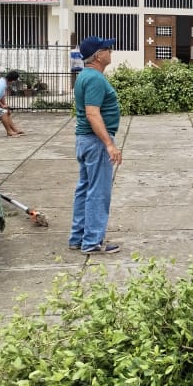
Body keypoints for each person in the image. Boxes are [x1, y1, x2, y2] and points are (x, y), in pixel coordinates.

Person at [69, 37, 122, 254]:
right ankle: (92, 241)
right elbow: (92, 114)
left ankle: (78, 237)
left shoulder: (85, 76)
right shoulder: (94, 79)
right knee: (98, 192)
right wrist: (109, 144)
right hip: (96, 141)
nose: (111, 52)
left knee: (85, 189)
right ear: (98, 55)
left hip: (86, 140)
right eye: (108, 49)